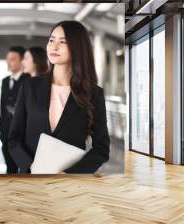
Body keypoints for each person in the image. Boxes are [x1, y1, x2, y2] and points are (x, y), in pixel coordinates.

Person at [8, 21, 110, 174]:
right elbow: (14, 138)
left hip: (70, 185)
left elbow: (101, 149)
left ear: (77, 47)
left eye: (62, 42)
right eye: (51, 40)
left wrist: (70, 173)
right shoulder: (30, 87)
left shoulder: (93, 94)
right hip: (31, 179)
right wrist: (31, 166)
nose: (54, 47)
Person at [0, 46, 30, 174]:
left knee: (25, 171)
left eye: (12, 59)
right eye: (7, 59)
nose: (8, 62)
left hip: (24, 136)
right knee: (9, 171)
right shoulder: (5, 81)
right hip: (6, 134)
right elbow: (2, 109)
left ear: (22, 61)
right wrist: (1, 133)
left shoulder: (29, 80)